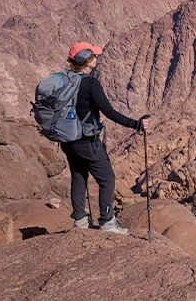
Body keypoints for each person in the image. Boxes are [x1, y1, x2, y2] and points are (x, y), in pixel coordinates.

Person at [62, 41, 148, 234]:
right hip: (87, 141)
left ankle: (80, 222)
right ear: (86, 60)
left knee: (78, 177)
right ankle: (108, 223)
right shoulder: (90, 83)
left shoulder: (64, 80)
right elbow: (108, 111)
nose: (97, 58)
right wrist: (136, 124)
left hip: (68, 140)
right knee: (107, 178)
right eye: (94, 56)